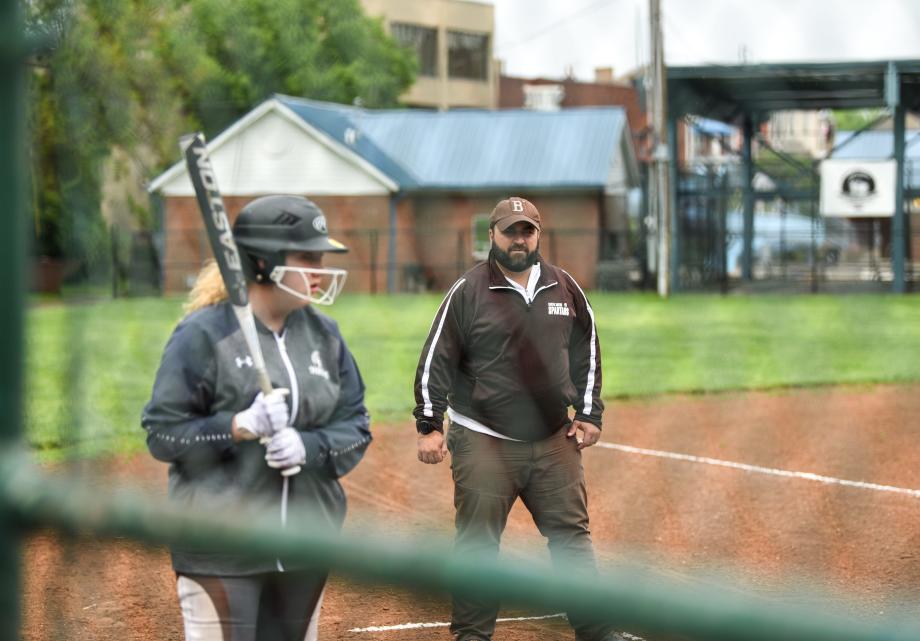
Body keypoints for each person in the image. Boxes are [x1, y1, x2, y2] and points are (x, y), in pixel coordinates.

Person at [142, 195, 371, 641]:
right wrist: (235, 426)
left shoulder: (325, 336)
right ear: (264, 262)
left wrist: (308, 446)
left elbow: (356, 425)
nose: (320, 268)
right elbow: (161, 432)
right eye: (308, 256)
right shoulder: (204, 334)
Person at [413, 197, 626, 641]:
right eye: (510, 231)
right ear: (492, 235)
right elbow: (436, 359)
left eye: (527, 230)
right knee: (478, 546)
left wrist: (588, 412)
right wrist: (430, 423)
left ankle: (597, 632)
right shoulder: (469, 291)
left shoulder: (563, 287)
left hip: (553, 439)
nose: (518, 239)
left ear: (538, 235)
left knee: (572, 538)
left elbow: (587, 350)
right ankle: (472, 635)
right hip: (484, 438)